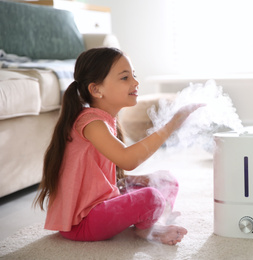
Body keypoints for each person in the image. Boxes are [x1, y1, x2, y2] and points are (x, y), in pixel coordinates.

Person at [33, 47, 203, 245]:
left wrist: (130, 180)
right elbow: (128, 159)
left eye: (134, 76)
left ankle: (156, 223)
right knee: (152, 197)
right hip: (84, 223)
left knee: (165, 180)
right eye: (125, 78)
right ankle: (150, 228)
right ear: (96, 90)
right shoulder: (90, 123)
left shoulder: (105, 120)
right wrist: (170, 126)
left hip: (103, 202)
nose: (135, 82)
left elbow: (97, 175)